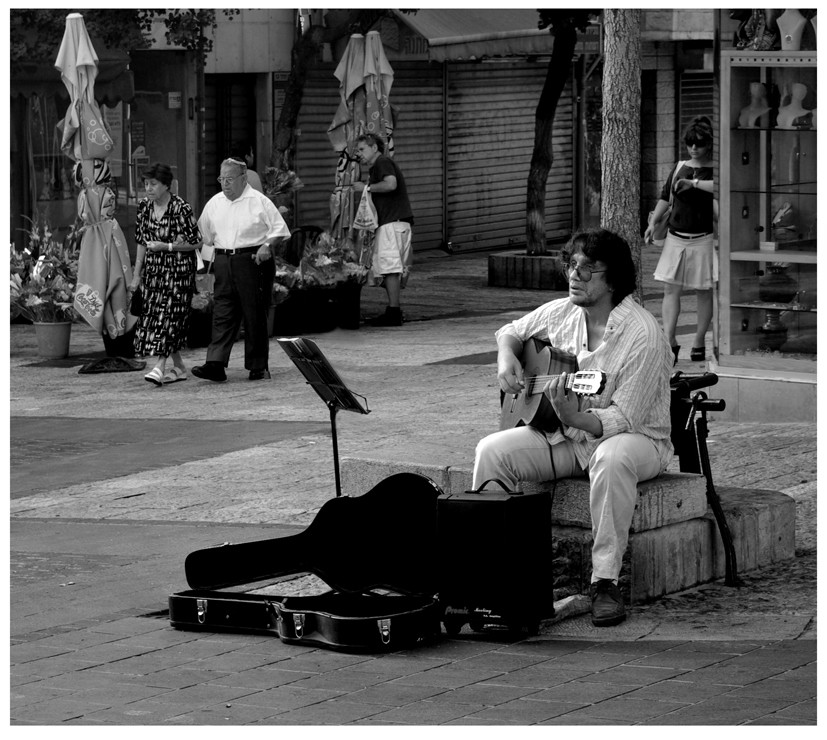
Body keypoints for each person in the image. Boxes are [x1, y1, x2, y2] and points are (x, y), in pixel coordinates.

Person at [473, 228, 674, 627]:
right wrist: (505, 359)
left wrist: (573, 417)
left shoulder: (644, 335)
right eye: (572, 265)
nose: (575, 275)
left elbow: (623, 419)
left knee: (611, 456)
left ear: (614, 278)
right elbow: (510, 332)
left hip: (640, 442)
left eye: (588, 269)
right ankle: (487, 577)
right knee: (490, 450)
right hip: (569, 436)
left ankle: (605, 583)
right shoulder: (562, 312)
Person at [191, 157, 290, 382]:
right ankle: (215, 363)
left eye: (229, 179)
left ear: (243, 178)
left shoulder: (259, 201)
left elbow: (279, 229)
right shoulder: (215, 202)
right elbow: (204, 235)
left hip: (252, 260)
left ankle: (257, 366)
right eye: (221, 179)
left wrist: (267, 246)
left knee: (254, 313)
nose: (224, 184)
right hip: (224, 261)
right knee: (223, 312)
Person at [645, 115, 717, 364]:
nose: (694, 148)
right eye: (690, 143)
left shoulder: (715, 170)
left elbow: (722, 188)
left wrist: (695, 183)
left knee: (704, 290)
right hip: (676, 236)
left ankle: (698, 341)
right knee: (669, 289)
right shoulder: (679, 167)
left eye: (698, 143)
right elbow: (665, 197)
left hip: (703, 238)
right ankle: (670, 340)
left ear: (708, 144)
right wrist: (653, 222)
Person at [129, 163, 202, 386]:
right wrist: (136, 275)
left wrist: (168, 246)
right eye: (145, 184)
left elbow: (196, 241)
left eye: (153, 184)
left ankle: (159, 366)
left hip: (178, 271)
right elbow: (141, 241)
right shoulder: (144, 207)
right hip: (154, 271)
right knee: (154, 316)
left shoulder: (181, 208)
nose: (148, 189)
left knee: (169, 317)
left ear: (166, 185)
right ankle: (179, 366)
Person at [352, 133, 413, 327]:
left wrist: (366, 187)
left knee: (390, 269)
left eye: (362, 149)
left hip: (392, 224)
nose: (359, 154)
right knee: (388, 269)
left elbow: (391, 184)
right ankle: (393, 309)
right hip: (394, 223)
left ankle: (394, 311)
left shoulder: (382, 162)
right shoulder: (378, 166)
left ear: (374, 148)